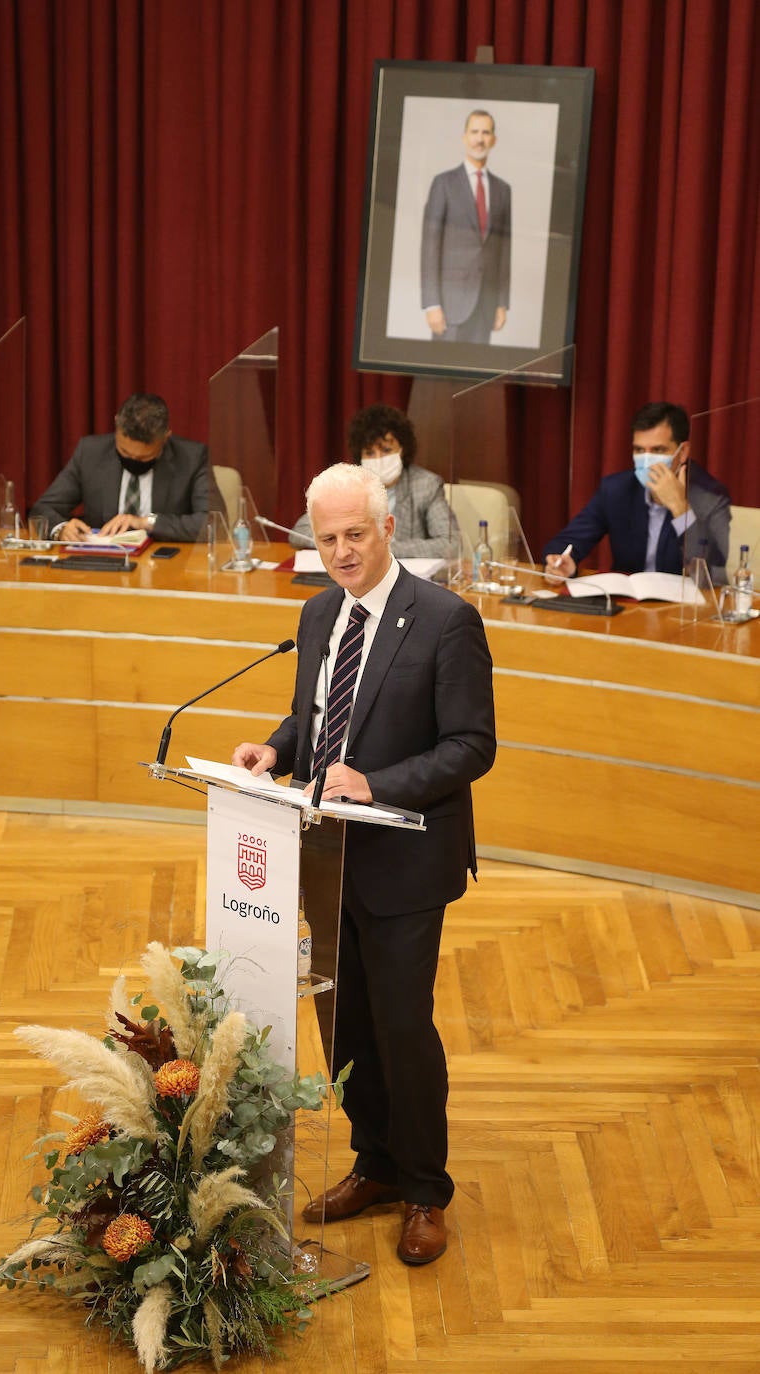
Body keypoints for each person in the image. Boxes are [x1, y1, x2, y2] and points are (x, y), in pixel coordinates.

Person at [233, 463, 496, 1266]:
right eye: (328, 537)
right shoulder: (318, 614)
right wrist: (274, 750)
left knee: (402, 1028)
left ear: (387, 529)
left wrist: (375, 782)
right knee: (343, 1026)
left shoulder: (447, 620)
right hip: (324, 855)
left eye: (355, 534)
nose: (343, 551)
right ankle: (375, 1164)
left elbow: (471, 747)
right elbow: (314, 716)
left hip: (407, 859)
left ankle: (424, 1188)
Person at [542, 401, 731, 584]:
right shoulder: (616, 489)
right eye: (639, 450)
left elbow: (710, 574)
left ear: (682, 453)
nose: (647, 459)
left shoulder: (711, 497)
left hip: (680, 610)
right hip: (627, 605)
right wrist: (563, 564)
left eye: (658, 450)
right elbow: (567, 542)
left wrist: (680, 508)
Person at [31, 392, 225, 542]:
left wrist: (145, 522)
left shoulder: (192, 458)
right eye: (124, 453)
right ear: (116, 425)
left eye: (144, 457)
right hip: (101, 565)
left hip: (165, 567)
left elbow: (216, 524)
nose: (133, 461)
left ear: (166, 437)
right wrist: (62, 529)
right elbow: (43, 508)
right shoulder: (90, 453)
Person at [288, 404, 458, 559]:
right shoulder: (347, 484)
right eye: (370, 453)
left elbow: (451, 544)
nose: (379, 458)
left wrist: (383, 548)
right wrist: (338, 543)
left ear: (402, 449)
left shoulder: (426, 485)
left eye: (386, 450)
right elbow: (298, 533)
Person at [420, 109, 511, 344]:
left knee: (480, 379)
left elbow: (504, 252)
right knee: (441, 377)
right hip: (450, 308)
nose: (480, 139)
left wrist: (501, 303)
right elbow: (430, 246)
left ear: (494, 139)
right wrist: (432, 304)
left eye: (486, 132)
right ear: (464, 137)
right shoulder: (443, 184)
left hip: (485, 307)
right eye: (474, 132)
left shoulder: (503, 190)